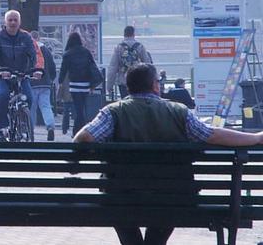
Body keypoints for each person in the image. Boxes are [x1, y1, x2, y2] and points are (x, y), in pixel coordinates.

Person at [75, 63, 263, 245]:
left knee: (120, 209)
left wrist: (74, 163)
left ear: (129, 87)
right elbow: (211, 135)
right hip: (174, 198)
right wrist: (255, 138)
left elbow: (83, 137)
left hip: (123, 197)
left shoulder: (113, 112)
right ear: (155, 85)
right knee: (166, 211)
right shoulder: (178, 111)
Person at [0, 10, 43, 141]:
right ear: (5, 22)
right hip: (2, 76)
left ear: (19, 22)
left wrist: (38, 69)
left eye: (15, 20)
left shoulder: (26, 37)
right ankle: (0, 129)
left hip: (22, 75)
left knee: (29, 97)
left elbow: (36, 54)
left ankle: (23, 122)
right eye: (10, 20)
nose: (13, 22)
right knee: (3, 95)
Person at [58, 32, 100, 136]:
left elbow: (63, 70)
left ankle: (78, 132)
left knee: (79, 110)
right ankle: (81, 131)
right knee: (82, 109)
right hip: (85, 85)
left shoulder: (68, 54)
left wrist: (60, 82)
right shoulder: (86, 52)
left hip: (74, 85)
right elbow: (92, 66)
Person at [107, 25, 153, 98]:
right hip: (138, 81)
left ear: (124, 34)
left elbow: (113, 67)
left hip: (123, 81)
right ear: (133, 34)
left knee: (125, 104)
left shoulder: (119, 48)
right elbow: (148, 65)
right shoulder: (140, 46)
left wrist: (109, 85)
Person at [29, 31, 57, 141]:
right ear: (39, 38)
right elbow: (52, 66)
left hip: (32, 82)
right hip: (45, 82)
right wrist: (51, 78)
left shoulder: (29, 49)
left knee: (32, 108)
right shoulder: (45, 50)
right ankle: (50, 127)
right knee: (46, 106)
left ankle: (30, 129)